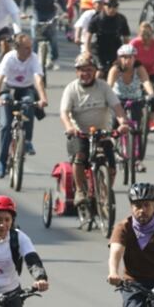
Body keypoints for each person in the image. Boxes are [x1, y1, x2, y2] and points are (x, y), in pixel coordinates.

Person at [59, 53, 129, 210]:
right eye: (82, 70)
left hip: (101, 133)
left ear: (95, 71)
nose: (85, 73)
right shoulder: (71, 89)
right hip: (80, 133)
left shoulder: (103, 87)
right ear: (77, 72)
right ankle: (80, 191)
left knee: (111, 164)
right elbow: (64, 113)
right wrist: (69, 127)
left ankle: (105, 192)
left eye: (89, 70)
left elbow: (117, 107)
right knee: (79, 157)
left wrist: (123, 123)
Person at [0, 33, 48, 177]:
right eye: (26, 48)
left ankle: (27, 140)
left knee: (29, 103)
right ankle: (1, 162)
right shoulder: (9, 58)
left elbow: (38, 79)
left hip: (26, 89)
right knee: (5, 126)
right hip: (9, 89)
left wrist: (43, 98)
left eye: (30, 47)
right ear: (17, 48)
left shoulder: (33, 58)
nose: (30, 50)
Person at [108, 44, 154, 172]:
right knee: (114, 126)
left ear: (134, 58)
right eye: (124, 57)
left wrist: (151, 94)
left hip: (135, 100)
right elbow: (109, 85)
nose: (127, 60)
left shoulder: (139, 68)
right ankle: (114, 151)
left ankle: (137, 160)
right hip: (118, 101)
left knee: (136, 129)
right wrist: (107, 98)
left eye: (130, 57)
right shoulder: (115, 69)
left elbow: (145, 81)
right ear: (119, 58)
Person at [20, 0, 67, 69]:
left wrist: (65, 12)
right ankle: (33, 59)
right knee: (35, 36)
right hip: (37, 13)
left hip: (50, 13)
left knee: (53, 37)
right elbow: (25, 1)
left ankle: (54, 59)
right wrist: (23, 12)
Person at [130, 22, 154, 132]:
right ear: (139, 34)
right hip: (136, 72)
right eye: (143, 35)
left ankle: (151, 120)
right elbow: (128, 59)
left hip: (151, 73)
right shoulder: (134, 43)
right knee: (134, 97)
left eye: (148, 35)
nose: (146, 38)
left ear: (152, 34)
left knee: (152, 97)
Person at [84, 0, 131, 74]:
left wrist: (125, 54)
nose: (112, 9)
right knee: (100, 71)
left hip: (115, 48)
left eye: (115, 6)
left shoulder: (121, 19)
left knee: (117, 70)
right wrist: (87, 51)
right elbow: (88, 37)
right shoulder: (97, 19)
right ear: (104, 6)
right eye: (109, 6)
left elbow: (126, 38)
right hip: (99, 48)